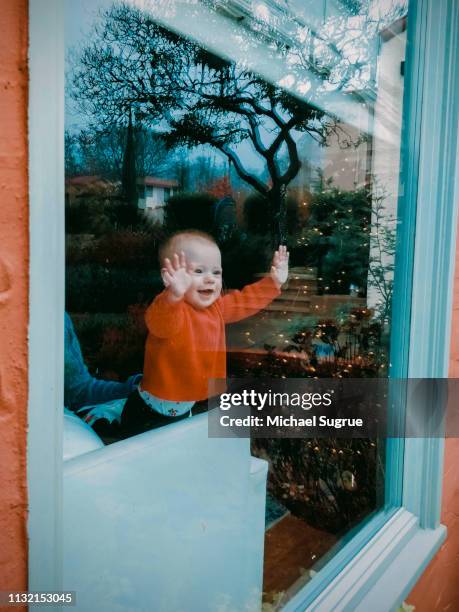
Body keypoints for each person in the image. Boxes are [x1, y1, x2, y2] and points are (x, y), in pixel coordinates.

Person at [120, 230, 288, 435]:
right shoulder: (172, 309)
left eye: (216, 273)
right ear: (169, 277)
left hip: (186, 405)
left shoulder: (216, 308)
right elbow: (158, 323)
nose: (210, 279)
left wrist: (274, 283)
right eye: (198, 271)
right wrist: (173, 295)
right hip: (150, 412)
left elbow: (244, 301)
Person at [64, 312, 141, 432]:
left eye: (125, 343)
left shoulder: (59, 317)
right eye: (117, 342)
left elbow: (77, 391)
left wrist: (135, 388)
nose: (119, 346)